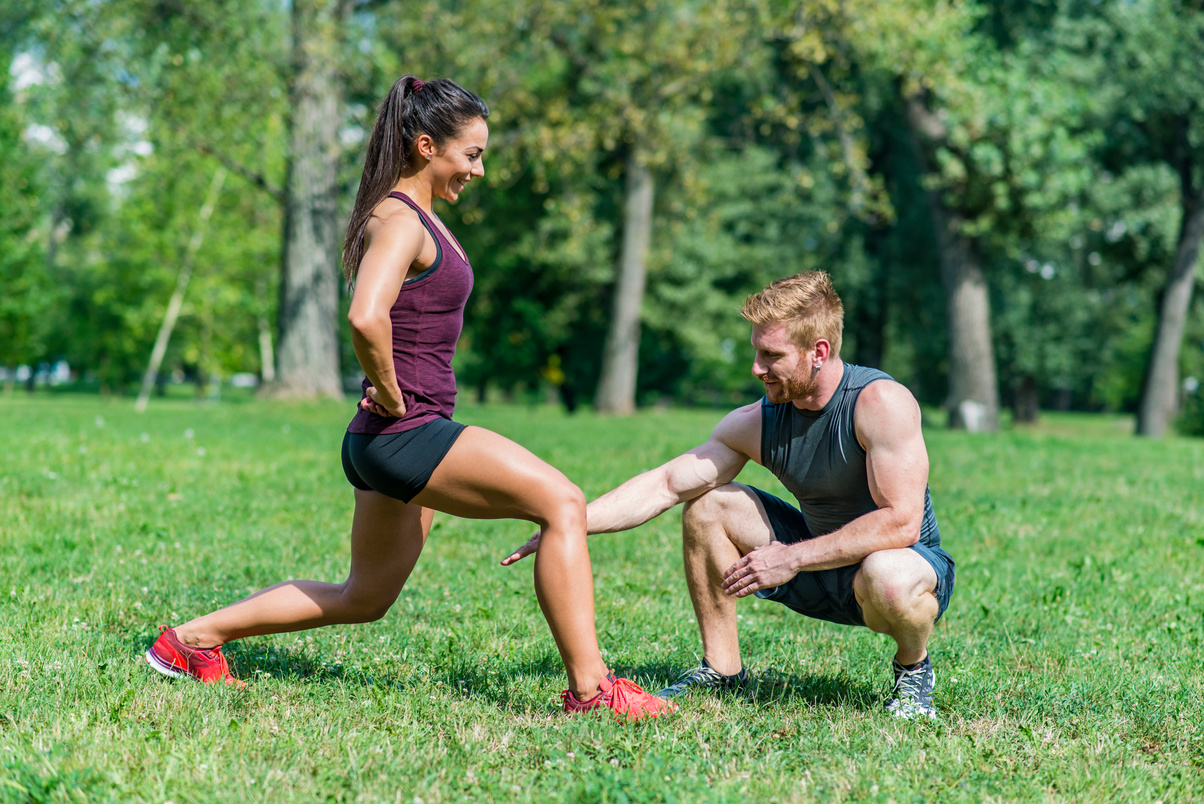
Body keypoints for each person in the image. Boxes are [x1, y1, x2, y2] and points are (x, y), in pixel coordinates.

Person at [145, 75, 673, 722]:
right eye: (470, 154)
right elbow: (366, 317)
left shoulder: (415, 217)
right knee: (562, 503)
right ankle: (593, 692)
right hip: (405, 431)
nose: (478, 169)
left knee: (365, 595)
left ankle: (189, 642)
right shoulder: (398, 219)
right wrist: (394, 394)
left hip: (381, 440)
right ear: (426, 146)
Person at [504, 271, 955, 718]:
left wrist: (791, 558)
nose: (756, 368)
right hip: (819, 567)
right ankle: (723, 669)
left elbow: (901, 522)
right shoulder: (759, 421)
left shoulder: (880, 403)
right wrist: (569, 524)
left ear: (818, 352)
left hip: (899, 567)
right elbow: (665, 484)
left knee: (887, 575)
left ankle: (912, 669)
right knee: (708, 504)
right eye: (755, 351)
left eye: (770, 355)